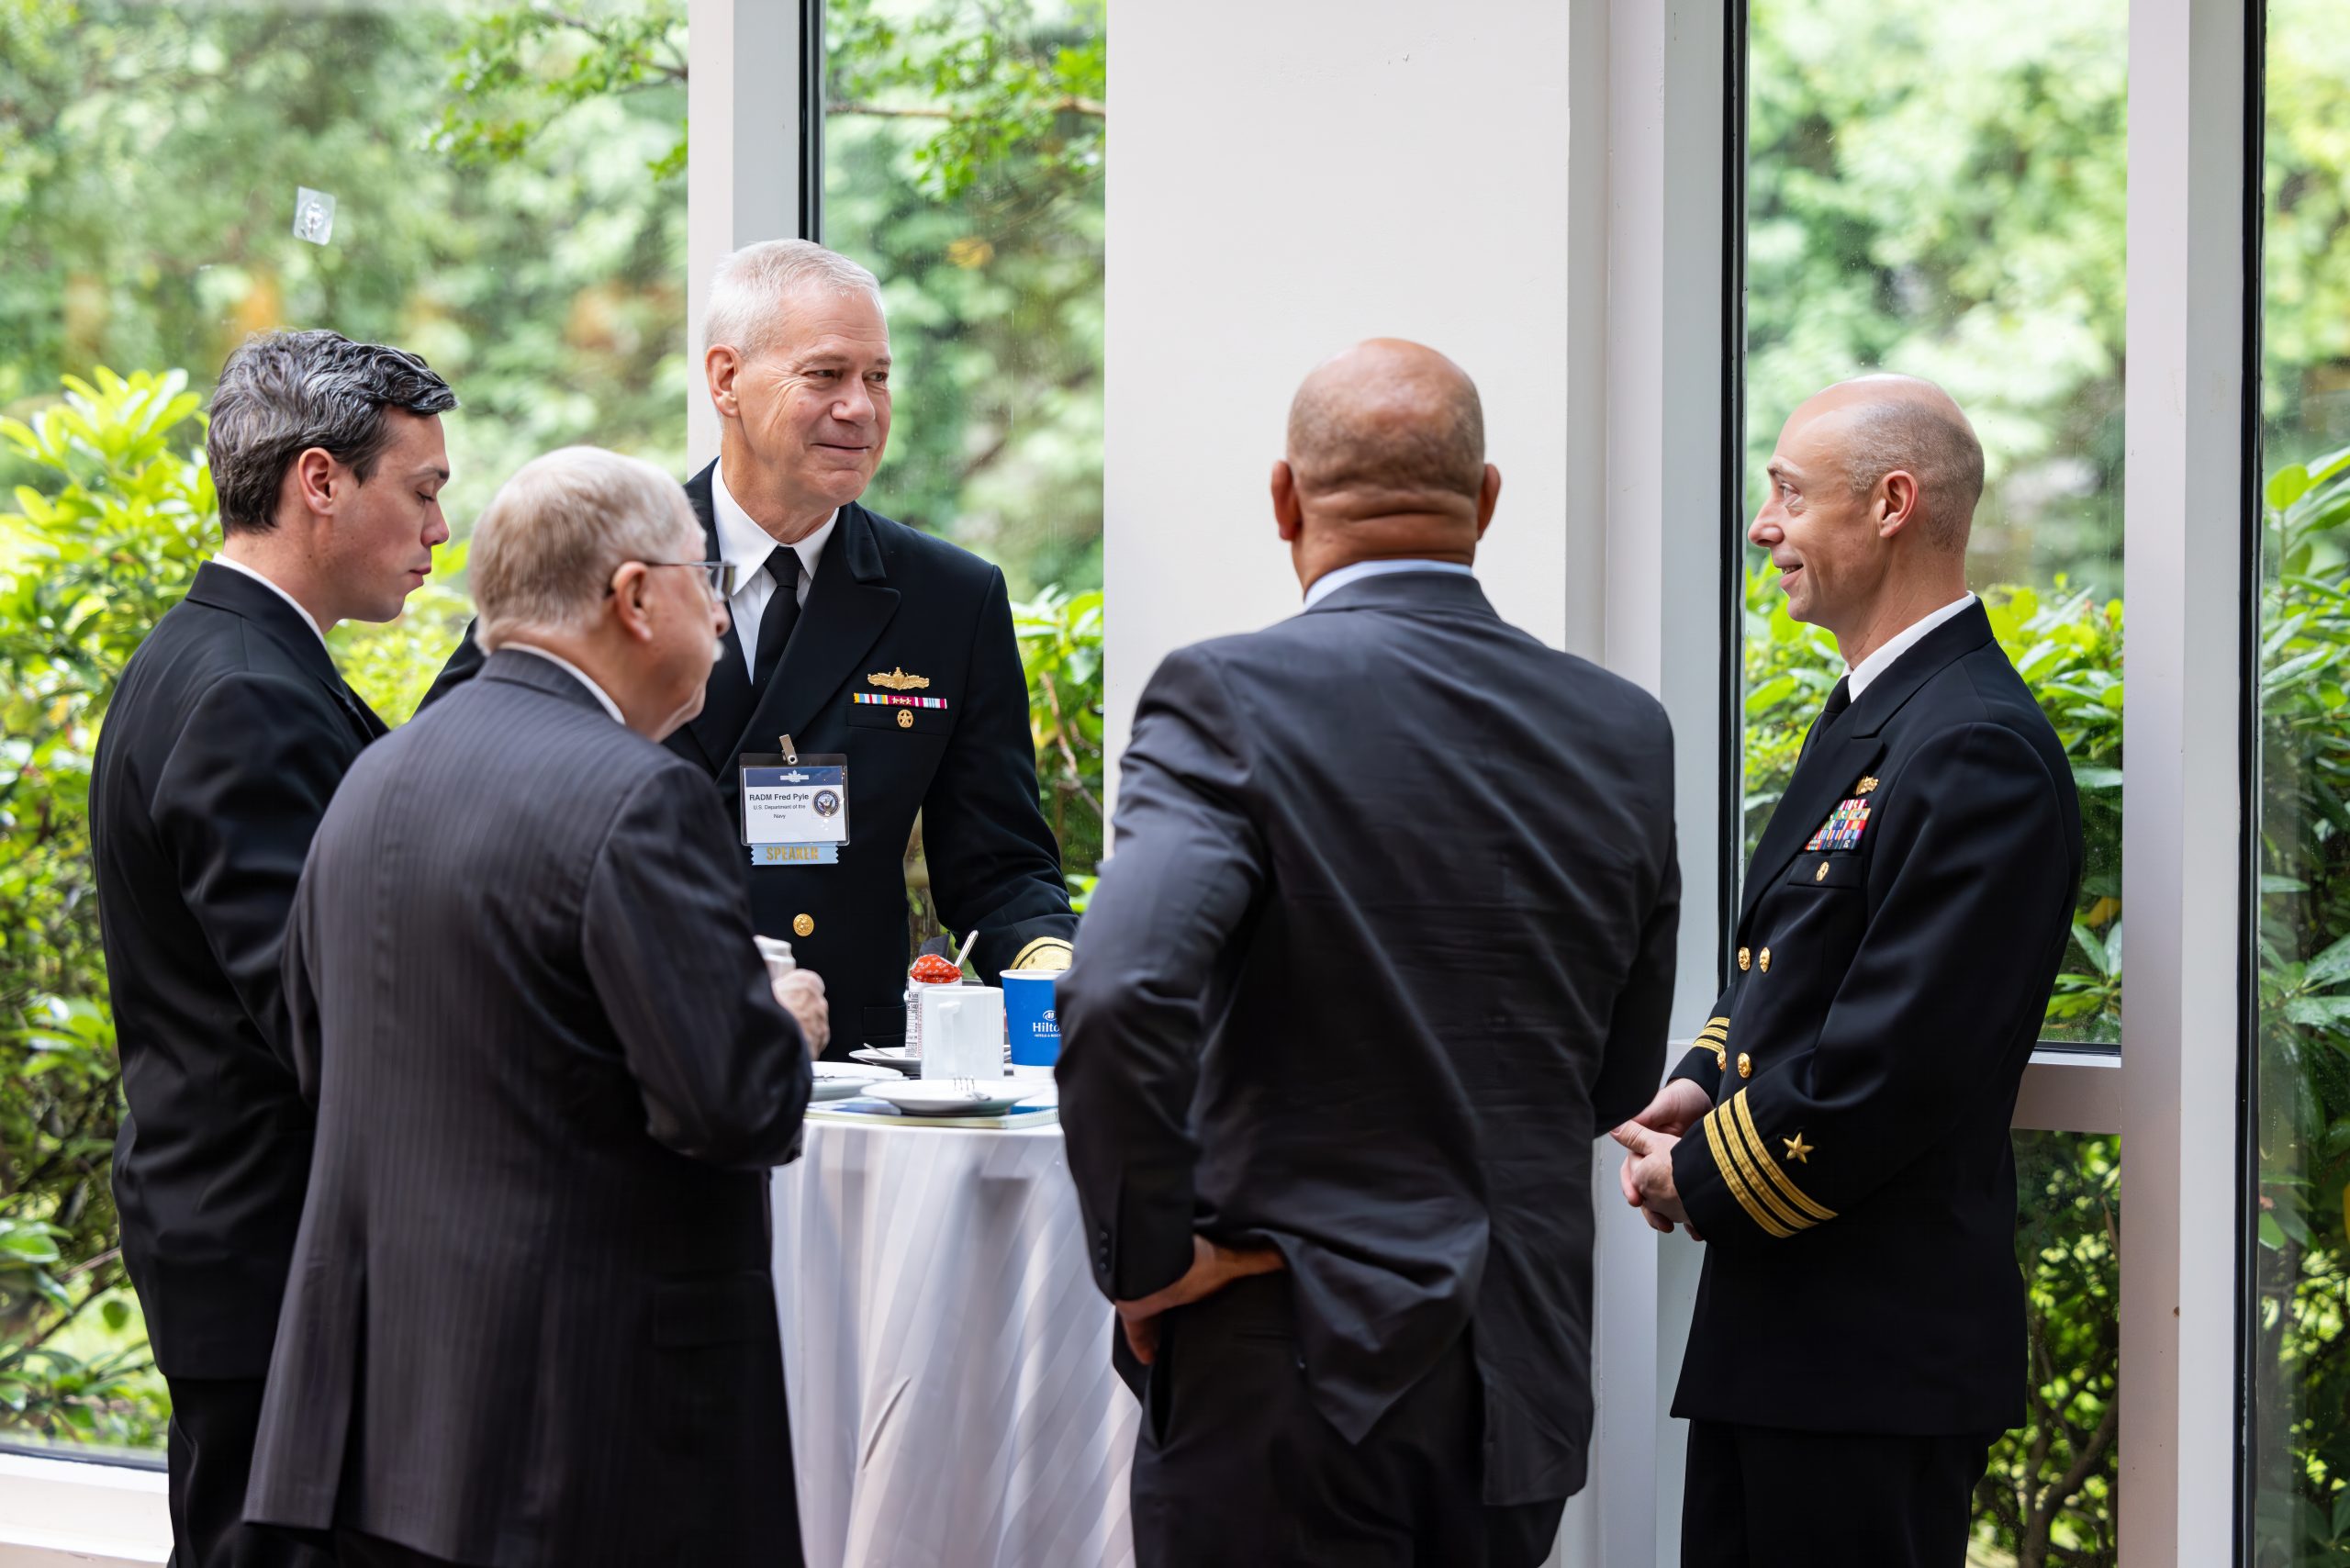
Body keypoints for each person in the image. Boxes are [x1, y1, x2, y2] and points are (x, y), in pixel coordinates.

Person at [1056, 340, 1681, 1567]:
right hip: (1520, 1376)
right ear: (1486, 501)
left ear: (1284, 497)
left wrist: (1150, 1258)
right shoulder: (1625, 727)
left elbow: (1123, 989)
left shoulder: (1228, 696)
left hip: (1290, 1356)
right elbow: (1612, 1083)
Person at [242, 447, 824, 1567]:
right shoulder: (637, 795)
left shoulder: (377, 775)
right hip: (587, 1432)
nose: (716, 614)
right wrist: (778, 1021)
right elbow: (731, 1106)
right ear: (635, 597)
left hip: (383, 1426)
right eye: (704, 581)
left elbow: (323, 1055)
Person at [1611, 375, 2084, 1568]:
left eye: (1788, 494)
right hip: (1796, 1339)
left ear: (1892, 503)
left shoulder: (1974, 742)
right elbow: (1793, 958)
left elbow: (1903, 1059)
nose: (1764, 528)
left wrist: (1701, 1175)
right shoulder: (1887, 708)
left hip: (1872, 1356)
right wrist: (1699, 1080)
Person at [420, 240, 1075, 1056]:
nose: (862, 408)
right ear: (725, 379)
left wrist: (1057, 966)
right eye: (826, 375)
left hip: (848, 1077)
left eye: (878, 376)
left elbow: (1001, 866)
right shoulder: (600, 557)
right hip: (627, 1055)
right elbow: (444, 770)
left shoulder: (949, 598)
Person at [89, 330, 456, 1568]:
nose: (439, 534)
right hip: (275, 1253)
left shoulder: (215, 658)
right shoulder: (247, 693)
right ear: (318, 482)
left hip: (244, 1236)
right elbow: (328, 1007)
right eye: (422, 492)